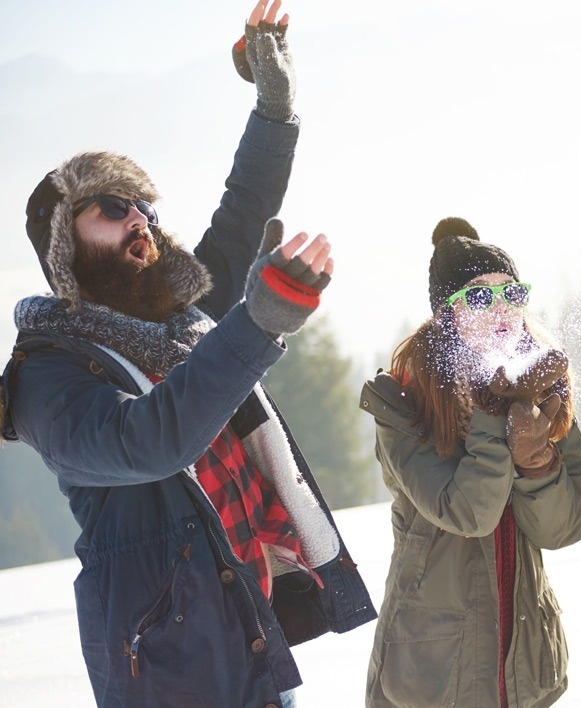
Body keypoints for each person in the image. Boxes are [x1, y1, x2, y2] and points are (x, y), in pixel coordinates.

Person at [1, 2, 376, 705]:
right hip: (169, 675)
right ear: (64, 250)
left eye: (144, 206)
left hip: (248, 638)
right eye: (111, 208)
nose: (139, 218)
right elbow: (152, 441)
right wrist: (256, 325)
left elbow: (241, 211)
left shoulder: (178, 326)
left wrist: (275, 106)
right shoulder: (45, 377)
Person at [360, 217, 581, 707]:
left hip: (523, 659)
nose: (502, 309)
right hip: (434, 668)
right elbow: (469, 514)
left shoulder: (543, 386)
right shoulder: (401, 401)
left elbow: (564, 529)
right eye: (480, 297)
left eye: (513, 293)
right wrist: (493, 413)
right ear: (446, 315)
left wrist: (535, 458)